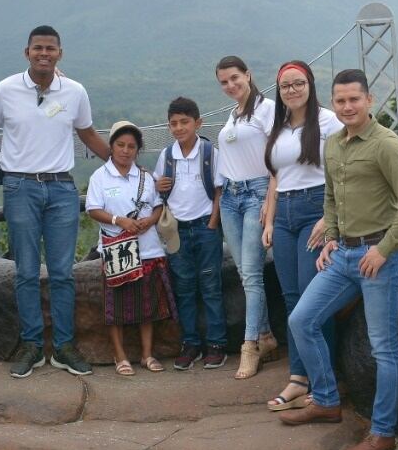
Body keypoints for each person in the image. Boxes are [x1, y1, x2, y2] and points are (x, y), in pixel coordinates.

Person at [279, 68, 398, 450]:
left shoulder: (386, 145)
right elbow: (331, 197)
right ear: (333, 102)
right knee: (301, 320)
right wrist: (331, 237)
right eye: (340, 100)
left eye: (354, 99)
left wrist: (385, 248)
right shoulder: (334, 144)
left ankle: (383, 432)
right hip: (343, 255)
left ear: (369, 100)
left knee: (383, 348)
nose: (347, 107)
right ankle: (326, 400)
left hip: (380, 258)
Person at [0, 25, 111, 378]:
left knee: (63, 273)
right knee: (26, 272)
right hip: (19, 187)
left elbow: (88, 133)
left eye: (50, 48)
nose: (44, 53)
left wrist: (126, 166)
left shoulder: (75, 92)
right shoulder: (6, 89)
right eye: (38, 48)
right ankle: (32, 345)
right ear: (27, 52)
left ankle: (64, 346)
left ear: (59, 53)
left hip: (61, 188)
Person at [261, 60, 343, 413]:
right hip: (285, 215)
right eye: (285, 86)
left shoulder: (328, 122)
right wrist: (269, 221)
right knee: (292, 298)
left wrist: (329, 217)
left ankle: (324, 382)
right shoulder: (278, 127)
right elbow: (276, 177)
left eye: (298, 83)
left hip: (315, 209)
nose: (292, 90)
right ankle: (298, 377)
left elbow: (342, 171)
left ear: (310, 85)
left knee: (314, 300)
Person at [85, 120, 176, 375]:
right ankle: (120, 356)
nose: (125, 151)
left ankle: (147, 354)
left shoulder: (146, 176)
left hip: (148, 248)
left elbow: (158, 206)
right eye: (120, 145)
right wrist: (119, 220)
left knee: (147, 305)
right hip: (118, 250)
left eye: (131, 146)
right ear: (112, 146)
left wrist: (150, 220)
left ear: (137, 149)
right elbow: (93, 209)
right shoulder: (100, 177)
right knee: (116, 306)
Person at [214, 56, 281, 379]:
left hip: (257, 193)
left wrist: (270, 201)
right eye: (224, 82)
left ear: (248, 75)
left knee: (252, 275)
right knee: (245, 273)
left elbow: (277, 160)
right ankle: (266, 336)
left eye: (234, 78)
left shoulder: (267, 110)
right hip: (230, 196)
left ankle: (250, 345)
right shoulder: (233, 114)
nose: (230, 85)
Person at [154, 96, 227, 370]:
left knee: (210, 286)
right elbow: (158, 189)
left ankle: (216, 344)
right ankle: (190, 343)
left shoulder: (209, 153)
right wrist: (158, 185)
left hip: (205, 226)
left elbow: (219, 190)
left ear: (198, 123)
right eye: (173, 123)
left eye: (184, 122)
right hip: (177, 230)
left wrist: (213, 223)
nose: (179, 128)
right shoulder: (166, 156)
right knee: (183, 288)